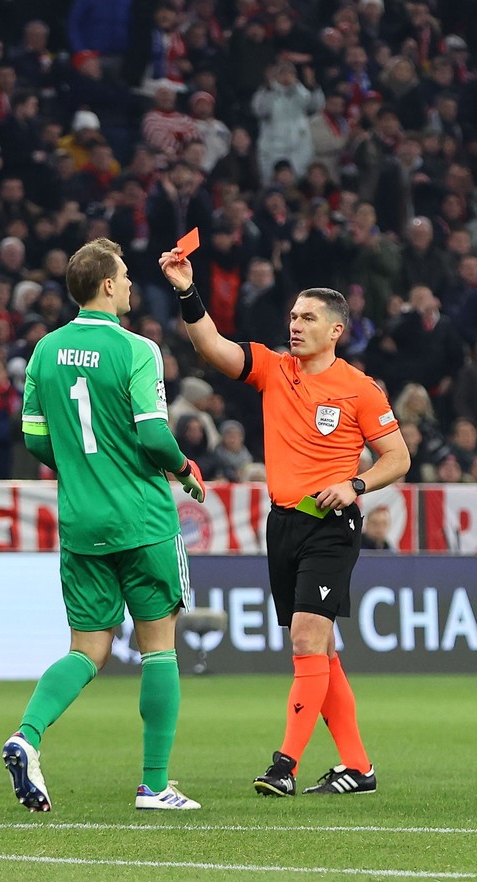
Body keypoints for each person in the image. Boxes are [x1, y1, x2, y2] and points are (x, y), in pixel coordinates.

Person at [159, 245, 410, 797]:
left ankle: (285, 766)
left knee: (304, 639)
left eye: (307, 318)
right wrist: (186, 289)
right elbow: (210, 345)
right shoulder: (275, 369)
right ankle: (359, 768)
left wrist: (355, 484)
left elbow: (399, 457)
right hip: (283, 525)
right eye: (293, 316)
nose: (295, 325)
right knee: (321, 649)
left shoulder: (360, 389)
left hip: (331, 526)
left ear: (336, 330)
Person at [5, 238, 207, 813]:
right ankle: (154, 784)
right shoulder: (137, 349)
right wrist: (184, 469)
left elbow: (35, 438)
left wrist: (83, 467)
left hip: (80, 522)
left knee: (87, 650)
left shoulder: (44, 351)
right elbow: (152, 434)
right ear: (109, 286)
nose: (129, 283)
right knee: (159, 649)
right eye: (123, 275)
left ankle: (28, 735)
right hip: (142, 519)